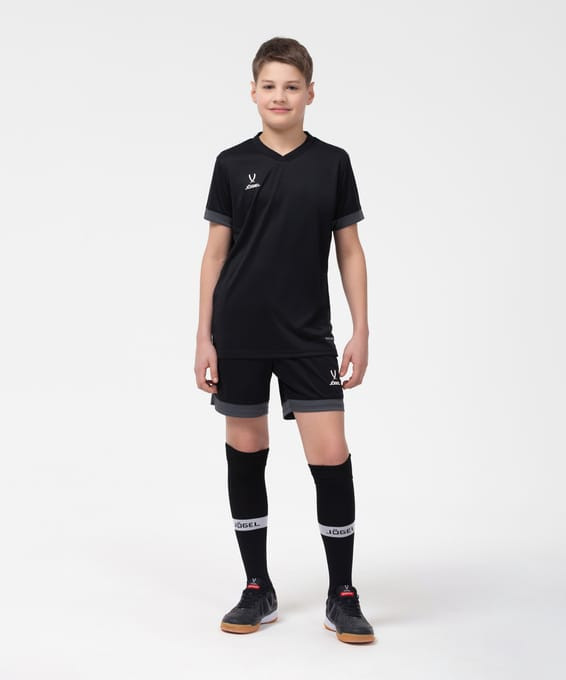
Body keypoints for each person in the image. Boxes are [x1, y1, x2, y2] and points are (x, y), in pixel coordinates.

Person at [195, 36, 375, 645]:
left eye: (291, 86)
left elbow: (350, 250)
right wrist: (204, 337)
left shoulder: (333, 163)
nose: (280, 96)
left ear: (310, 93)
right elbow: (214, 254)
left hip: (307, 336)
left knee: (331, 455)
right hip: (239, 333)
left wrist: (361, 329)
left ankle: (342, 593)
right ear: (253, 92)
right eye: (269, 86)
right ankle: (257, 587)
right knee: (246, 451)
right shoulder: (230, 163)